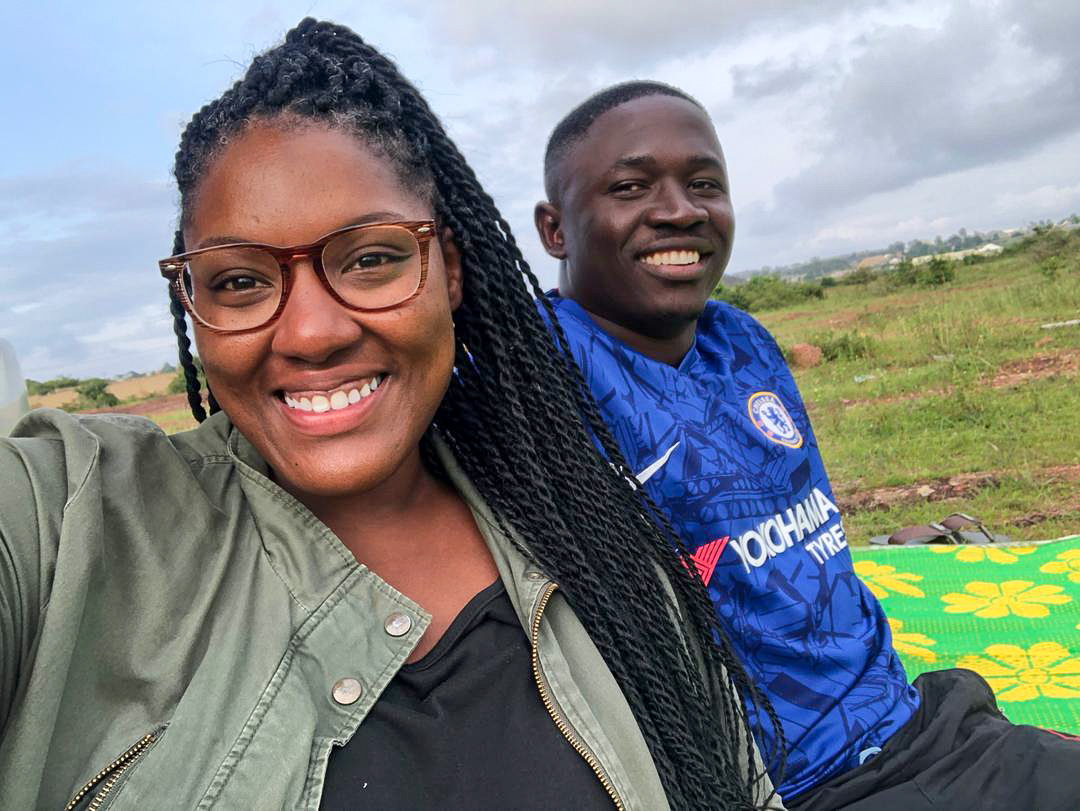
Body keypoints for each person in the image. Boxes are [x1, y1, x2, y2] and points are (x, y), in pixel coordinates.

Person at [0, 21, 784, 811]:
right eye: (239, 280)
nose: (311, 333)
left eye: (371, 258)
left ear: (449, 269)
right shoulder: (76, 523)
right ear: (190, 301)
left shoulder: (594, 532)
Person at [534, 80, 1080, 811]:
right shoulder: (541, 366)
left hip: (915, 716)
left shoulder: (739, 337)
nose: (680, 210)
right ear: (555, 230)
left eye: (704, 184)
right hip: (801, 783)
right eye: (631, 187)